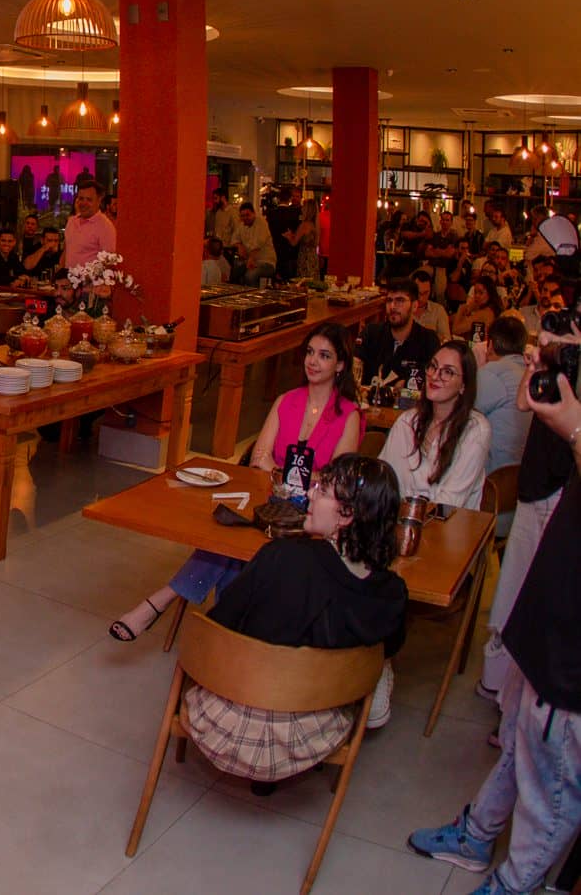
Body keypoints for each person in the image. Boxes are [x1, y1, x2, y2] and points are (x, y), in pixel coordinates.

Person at [408, 366, 581, 895]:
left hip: (574, 642)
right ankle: (478, 834)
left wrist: (576, 430)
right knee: (521, 737)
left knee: (554, 767)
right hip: (557, 597)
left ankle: (517, 882)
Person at [112, 323, 362, 642]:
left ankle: (163, 603)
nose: (313, 361)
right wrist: (294, 476)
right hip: (271, 503)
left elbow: (336, 481)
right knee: (230, 536)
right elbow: (259, 457)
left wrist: (284, 473)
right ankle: (225, 633)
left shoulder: (349, 416)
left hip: (314, 516)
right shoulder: (287, 401)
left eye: (324, 355)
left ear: (340, 365)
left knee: (234, 545)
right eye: (310, 352)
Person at [183, 456, 407, 792]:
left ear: (346, 515)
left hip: (224, 727)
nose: (310, 494)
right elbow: (387, 650)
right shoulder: (392, 595)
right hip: (310, 739)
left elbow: (220, 627)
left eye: (322, 490)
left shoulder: (283, 556)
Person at [479, 309, 579, 700]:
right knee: (514, 585)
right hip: (533, 483)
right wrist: (540, 361)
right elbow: (524, 403)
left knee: (540, 594)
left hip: (560, 489)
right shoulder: (557, 366)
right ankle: (499, 683)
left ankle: (521, 693)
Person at [379, 341, 490, 508]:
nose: (435, 376)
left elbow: (450, 502)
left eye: (448, 372)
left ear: (463, 385)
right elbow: (383, 480)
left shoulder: (476, 429)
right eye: (433, 366)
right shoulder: (407, 421)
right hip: (402, 517)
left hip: (449, 521)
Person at [357, 277, 441, 394]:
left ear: (414, 306)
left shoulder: (428, 340)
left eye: (400, 300)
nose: (392, 306)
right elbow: (355, 366)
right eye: (389, 300)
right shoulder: (371, 333)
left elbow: (433, 379)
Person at [473, 316, 532, 474]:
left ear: (490, 344)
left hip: (494, 473)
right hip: (523, 470)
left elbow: (459, 415)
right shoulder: (529, 373)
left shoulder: (493, 373)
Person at [62, 177, 116, 271]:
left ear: (99, 200)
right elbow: (66, 253)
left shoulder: (105, 227)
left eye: (89, 199)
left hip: (90, 280)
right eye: (81, 198)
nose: (84, 203)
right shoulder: (71, 221)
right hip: (67, 279)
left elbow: (109, 264)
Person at [231, 203, 277, 285]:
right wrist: (239, 246)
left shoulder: (261, 222)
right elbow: (234, 239)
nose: (245, 218)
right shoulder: (242, 225)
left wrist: (251, 259)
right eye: (242, 216)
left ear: (254, 213)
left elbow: (258, 244)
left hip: (266, 262)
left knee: (250, 276)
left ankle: (253, 293)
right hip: (250, 261)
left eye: (247, 215)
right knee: (235, 271)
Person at [411, 266, 455, 343]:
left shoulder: (438, 310)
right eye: (418, 293)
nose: (421, 298)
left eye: (425, 293)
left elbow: (447, 341)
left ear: (431, 291)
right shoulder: (404, 309)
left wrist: (433, 335)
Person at [286, 198, 321, 280]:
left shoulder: (304, 225)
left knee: (303, 281)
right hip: (313, 257)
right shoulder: (315, 225)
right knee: (312, 282)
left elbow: (293, 243)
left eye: (303, 207)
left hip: (304, 257)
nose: (301, 209)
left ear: (307, 210)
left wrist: (289, 236)